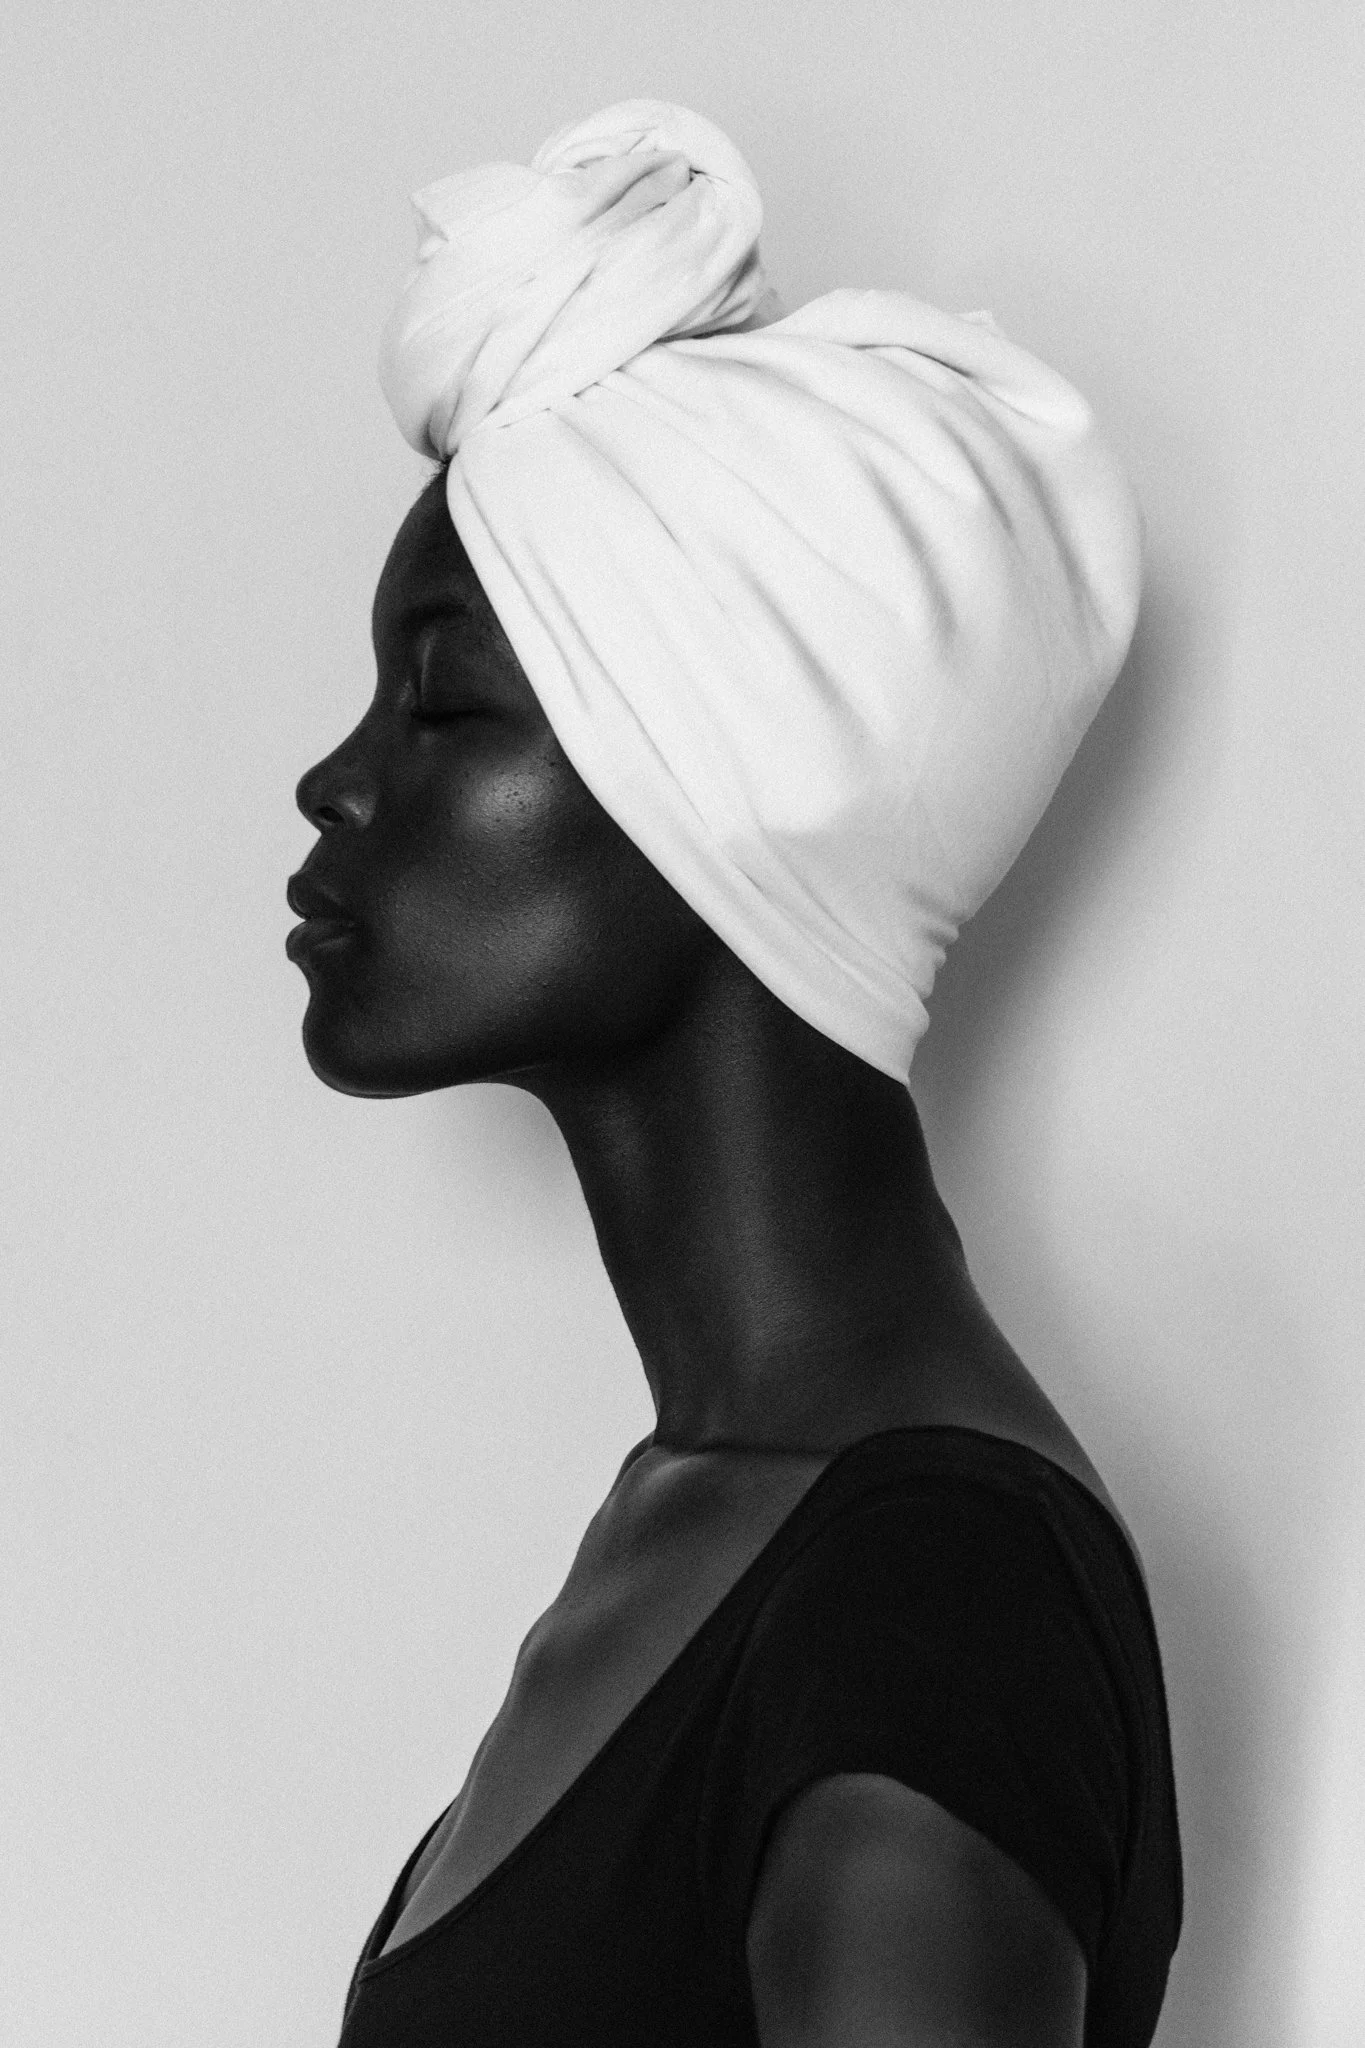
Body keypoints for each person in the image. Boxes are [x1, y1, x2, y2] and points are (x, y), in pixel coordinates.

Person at [287, 101, 1181, 2048]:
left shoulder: (926, 1605)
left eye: (440, 698)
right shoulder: (713, 1522)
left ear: (715, 795)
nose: (338, 783)